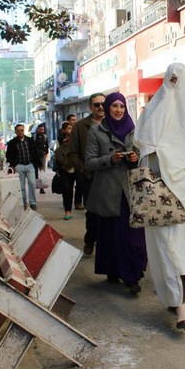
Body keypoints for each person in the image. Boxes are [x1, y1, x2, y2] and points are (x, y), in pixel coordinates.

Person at [134, 63, 185, 330]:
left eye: (179, 80)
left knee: (176, 247)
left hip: (179, 194)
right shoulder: (155, 109)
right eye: (171, 79)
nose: (174, 84)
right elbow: (145, 139)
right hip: (155, 194)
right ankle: (178, 299)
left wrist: (167, 155)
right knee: (163, 249)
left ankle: (180, 300)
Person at [85, 92, 147, 295]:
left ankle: (132, 275)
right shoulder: (96, 131)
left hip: (130, 190)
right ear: (107, 108)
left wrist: (133, 158)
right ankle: (113, 269)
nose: (118, 110)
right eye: (114, 106)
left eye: (121, 106)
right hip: (109, 191)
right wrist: (109, 159)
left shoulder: (134, 130)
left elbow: (141, 156)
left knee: (132, 234)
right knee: (112, 234)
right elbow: (89, 162)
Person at [67, 93, 106, 255]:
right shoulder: (81, 126)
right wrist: (84, 169)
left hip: (111, 175)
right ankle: (90, 239)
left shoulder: (113, 124)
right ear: (90, 107)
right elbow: (72, 152)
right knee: (93, 212)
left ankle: (107, 244)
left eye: (104, 104)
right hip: (90, 176)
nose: (101, 107)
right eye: (97, 105)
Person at [6, 123, 38, 209]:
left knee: (32, 183)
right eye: (18, 131)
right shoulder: (12, 143)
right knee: (21, 186)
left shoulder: (30, 141)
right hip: (19, 166)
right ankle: (23, 203)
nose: (20, 132)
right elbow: (8, 155)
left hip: (30, 165)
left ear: (24, 131)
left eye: (22, 130)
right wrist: (13, 165)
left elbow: (35, 152)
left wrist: (38, 164)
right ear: (16, 132)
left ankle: (33, 202)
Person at [54, 121, 77, 220]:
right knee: (67, 188)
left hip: (76, 169)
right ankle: (67, 211)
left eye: (71, 128)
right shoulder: (60, 141)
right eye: (68, 128)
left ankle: (75, 205)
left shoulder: (76, 140)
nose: (70, 130)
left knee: (75, 188)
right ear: (64, 130)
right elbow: (58, 154)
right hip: (64, 169)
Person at [33, 123, 49, 194]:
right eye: (40, 129)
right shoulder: (34, 137)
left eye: (42, 129)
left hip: (42, 156)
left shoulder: (45, 137)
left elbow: (47, 146)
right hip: (34, 157)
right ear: (37, 130)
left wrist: (46, 153)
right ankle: (35, 186)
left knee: (42, 172)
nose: (41, 131)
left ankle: (41, 188)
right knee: (35, 172)